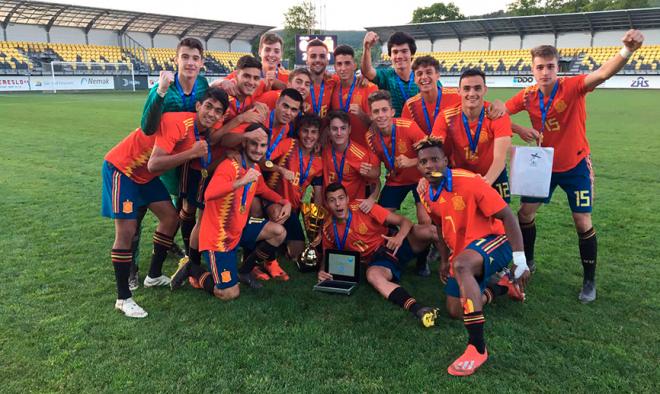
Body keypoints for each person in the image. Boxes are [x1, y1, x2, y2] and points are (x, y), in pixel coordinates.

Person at [503, 30, 644, 302]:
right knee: (525, 214)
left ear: (558, 67)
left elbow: (601, 74)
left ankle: (589, 280)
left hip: (576, 165)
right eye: (540, 67)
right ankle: (528, 261)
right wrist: (518, 127)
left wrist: (627, 50)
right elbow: (496, 114)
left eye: (550, 66)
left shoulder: (573, 86)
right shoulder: (527, 96)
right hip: (543, 167)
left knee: (582, 221)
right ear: (532, 69)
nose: (545, 72)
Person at [102, 87, 228, 318]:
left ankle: (153, 275)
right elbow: (154, 164)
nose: (211, 113)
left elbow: (224, 134)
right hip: (123, 169)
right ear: (198, 106)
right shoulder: (178, 123)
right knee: (126, 231)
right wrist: (191, 153)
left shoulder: (208, 128)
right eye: (208, 106)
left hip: (144, 177)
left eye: (218, 111)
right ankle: (123, 298)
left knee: (171, 218)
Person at [415, 137, 530, 376]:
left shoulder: (470, 182)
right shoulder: (425, 190)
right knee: (456, 311)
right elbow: (438, 225)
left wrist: (520, 260)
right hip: (464, 251)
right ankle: (501, 287)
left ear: (445, 160)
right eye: (424, 162)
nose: (430, 166)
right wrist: (445, 259)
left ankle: (477, 348)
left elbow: (509, 216)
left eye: (435, 159)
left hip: (496, 240)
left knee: (463, 265)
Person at [171, 125, 292, 298]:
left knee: (278, 232)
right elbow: (209, 194)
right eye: (254, 144)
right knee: (229, 293)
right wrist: (240, 182)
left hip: (238, 228)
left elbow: (263, 190)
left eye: (262, 145)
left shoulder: (255, 169)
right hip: (219, 237)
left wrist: (284, 201)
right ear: (244, 143)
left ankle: (244, 271)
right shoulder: (229, 166)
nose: (258, 150)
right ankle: (193, 269)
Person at [130, 37, 209, 289]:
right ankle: (131, 266)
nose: (190, 62)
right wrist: (161, 91)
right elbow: (147, 126)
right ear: (176, 60)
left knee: (178, 207)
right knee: (139, 210)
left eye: (195, 58)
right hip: (154, 156)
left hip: (185, 160)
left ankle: (177, 248)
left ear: (202, 62)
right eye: (185, 57)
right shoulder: (164, 86)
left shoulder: (204, 84)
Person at [317, 182, 440, 327]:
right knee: (373, 276)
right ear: (327, 203)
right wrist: (322, 271)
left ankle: (458, 267)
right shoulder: (327, 227)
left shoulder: (364, 208)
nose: (338, 204)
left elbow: (404, 221)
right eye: (332, 200)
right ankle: (418, 309)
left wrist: (399, 238)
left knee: (430, 230)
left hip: (393, 242)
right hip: (379, 260)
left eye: (341, 198)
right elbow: (328, 254)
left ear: (348, 199)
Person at [432, 68, 512, 202]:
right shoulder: (446, 116)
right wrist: (432, 175)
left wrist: (485, 183)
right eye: (467, 88)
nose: (472, 93)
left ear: (485, 90)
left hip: (493, 173)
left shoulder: (497, 115)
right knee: (461, 215)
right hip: (461, 174)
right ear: (459, 91)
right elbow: (434, 149)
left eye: (477, 88)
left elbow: (500, 159)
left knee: (500, 217)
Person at [258, 114, 324, 277]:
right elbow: (262, 162)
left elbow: (317, 195)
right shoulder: (288, 145)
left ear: (318, 135)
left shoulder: (318, 162)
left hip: (293, 208)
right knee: (278, 217)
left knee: (297, 254)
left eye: (313, 132)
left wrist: (315, 227)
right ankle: (264, 258)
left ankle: (280, 245)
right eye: (305, 131)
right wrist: (279, 169)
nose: (309, 136)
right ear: (299, 132)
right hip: (274, 200)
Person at [322, 111, 380, 211]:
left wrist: (371, 199)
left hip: (352, 209)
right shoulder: (323, 151)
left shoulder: (360, 155)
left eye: (343, 128)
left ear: (349, 130)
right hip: (327, 207)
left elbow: (376, 181)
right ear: (328, 131)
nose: (339, 133)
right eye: (335, 129)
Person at [329, 44, 377, 146]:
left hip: (364, 149)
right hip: (339, 150)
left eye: (347, 63)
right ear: (335, 67)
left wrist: (362, 115)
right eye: (339, 64)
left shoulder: (369, 88)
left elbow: (377, 125)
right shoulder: (333, 85)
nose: (343, 68)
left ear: (354, 66)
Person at [362, 31, 418, 117]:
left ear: (412, 53)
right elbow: (367, 71)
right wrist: (367, 47)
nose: (399, 56)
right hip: (394, 129)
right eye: (395, 52)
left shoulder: (421, 77)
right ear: (390, 55)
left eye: (404, 51)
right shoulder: (387, 76)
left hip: (418, 129)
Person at [401, 55, 461, 134]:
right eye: (419, 74)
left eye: (429, 72)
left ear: (437, 75)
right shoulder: (410, 106)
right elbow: (405, 134)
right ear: (415, 79)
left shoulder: (456, 96)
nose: (424, 77)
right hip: (425, 146)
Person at [217, 32, 289, 98]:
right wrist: (222, 82)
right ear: (260, 51)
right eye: (267, 50)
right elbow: (214, 85)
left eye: (276, 51)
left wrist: (276, 83)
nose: (271, 54)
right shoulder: (245, 73)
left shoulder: (289, 77)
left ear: (281, 54)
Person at [305, 39, 338, 118]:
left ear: (327, 60)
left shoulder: (334, 81)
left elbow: (351, 80)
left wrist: (363, 77)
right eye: (313, 56)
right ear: (307, 60)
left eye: (322, 56)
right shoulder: (298, 83)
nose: (318, 60)